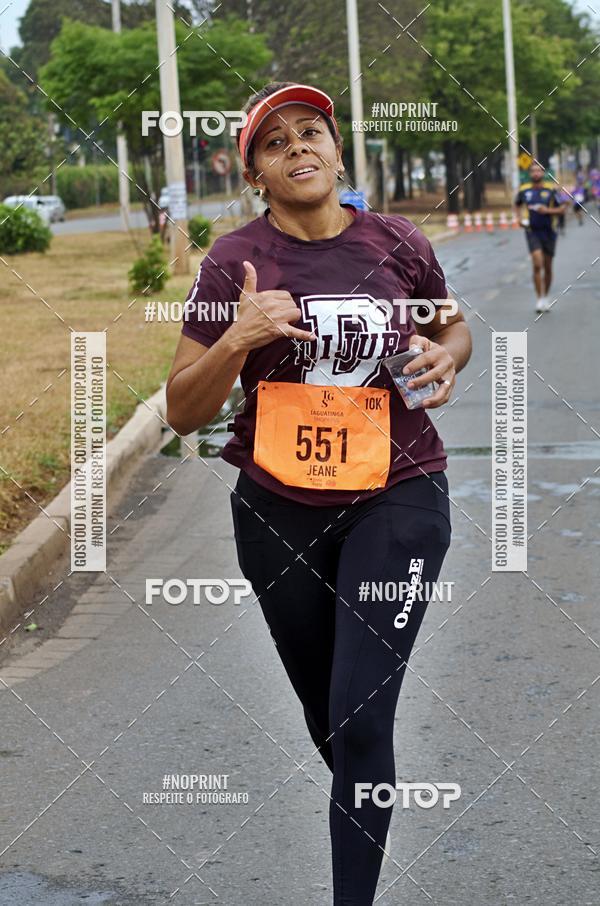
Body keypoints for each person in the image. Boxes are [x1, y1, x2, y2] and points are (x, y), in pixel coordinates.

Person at [166, 81, 472, 906]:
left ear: (339, 153)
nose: (299, 147)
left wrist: (450, 355)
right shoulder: (234, 261)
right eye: (275, 142)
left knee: (363, 716)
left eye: (312, 133)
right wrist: (240, 333)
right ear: (256, 176)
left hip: (398, 491)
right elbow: (182, 409)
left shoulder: (398, 240)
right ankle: (367, 793)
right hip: (277, 510)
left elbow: (449, 322)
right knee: (335, 723)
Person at [514, 161, 567, 313]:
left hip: (549, 232)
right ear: (529, 174)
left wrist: (547, 211)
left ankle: (546, 297)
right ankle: (539, 299)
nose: (536, 173)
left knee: (548, 266)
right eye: (533, 171)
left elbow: (563, 208)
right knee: (538, 263)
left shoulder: (551, 189)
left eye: (539, 171)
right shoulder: (524, 190)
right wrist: (518, 219)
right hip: (532, 231)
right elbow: (517, 204)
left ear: (543, 173)